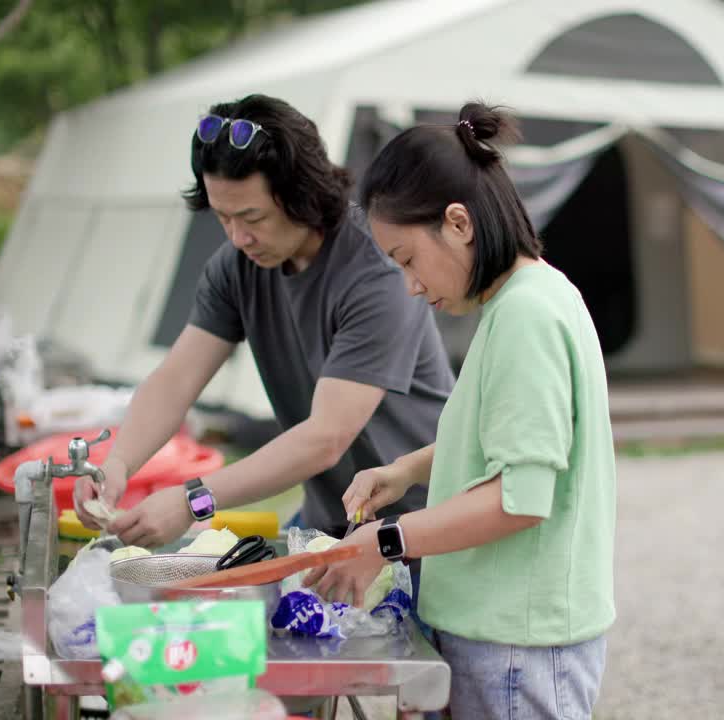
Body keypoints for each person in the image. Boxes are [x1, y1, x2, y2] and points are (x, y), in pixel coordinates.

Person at [302, 103, 616, 720]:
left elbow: (520, 496)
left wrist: (384, 541)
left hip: (517, 645)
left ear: (457, 223)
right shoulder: (524, 301)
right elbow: (513, 437)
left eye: (408, 260)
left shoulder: (527, 316)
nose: (412, 287)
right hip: (501, 635)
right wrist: (410, 471)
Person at [72, 94, 454, 549]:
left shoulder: (377, 271)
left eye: (252, 217)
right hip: (331, 522)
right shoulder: (237, 266)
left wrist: (193, 501)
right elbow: (176, 378)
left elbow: (325, 438)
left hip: (423, 523)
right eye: (222, 217)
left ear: (304, 196)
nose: (238, 237)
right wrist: (117, 465)